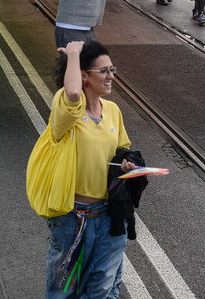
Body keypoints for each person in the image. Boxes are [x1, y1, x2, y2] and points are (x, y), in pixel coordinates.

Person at [45, 40, 135, 299]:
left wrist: (128, 163)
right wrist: (73, 53)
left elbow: (122, 150)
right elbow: (73, 94)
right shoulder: (66, 112)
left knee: (102, 290)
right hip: (72, 220)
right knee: (64, 291)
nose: (111, 76)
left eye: (112, 70)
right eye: (104, 71)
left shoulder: (113, 111)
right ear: (84, 76)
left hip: (109, 218)